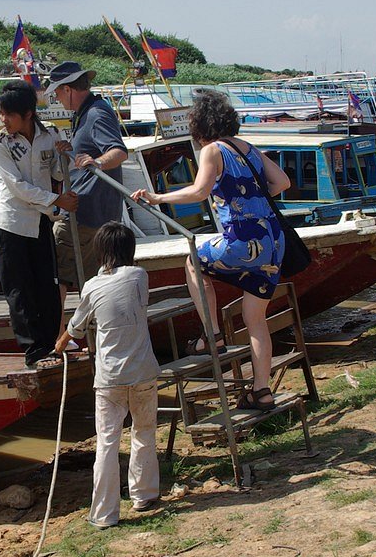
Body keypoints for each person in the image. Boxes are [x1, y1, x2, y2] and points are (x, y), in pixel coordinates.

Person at [132, 89, 291, 411]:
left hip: (243, 240)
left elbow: (199, 190)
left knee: (193, 262)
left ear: (200, 124)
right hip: (273, 243)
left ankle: (213, 336)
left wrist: (158, 198)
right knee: (255, 320)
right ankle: (262, 391)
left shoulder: (211, 150)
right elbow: (282, 183)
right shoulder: (247, 147)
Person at [55, 221, 159, 528]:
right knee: (143, 433)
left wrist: (59, 345)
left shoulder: (91, 286)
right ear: (131, 250)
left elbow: (74, 329)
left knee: (107, 443)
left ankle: (103, 514)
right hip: (143, 372)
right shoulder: (140, 276)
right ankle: (144, 495)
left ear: (100, 252)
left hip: (109, 379)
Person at [0, 81, 77, 367]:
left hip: (40, 221)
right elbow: (18, 187)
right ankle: (33, 351)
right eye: (1, 114)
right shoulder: (0, 143)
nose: (4, 120)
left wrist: (63, 155)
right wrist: (57, 200)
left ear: (28, 114)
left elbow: (54, 170)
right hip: (12, 223)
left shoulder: (50, 133)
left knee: (47, 286)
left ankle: (52, 343)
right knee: (18, 289)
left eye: (8, 115)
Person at [47, 60, 128, 297]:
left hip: (83, 213)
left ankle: (57, 332)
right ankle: (89, 328)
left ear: (68, 89)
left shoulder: (95, 113)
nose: (57, 100)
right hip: (98, 212)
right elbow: (91, 149)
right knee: (94, 281)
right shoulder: (89, 111)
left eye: (57, 94)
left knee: (57, 275)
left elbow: (119, 151)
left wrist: (98, 162)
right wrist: (70, 149)